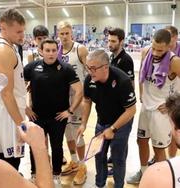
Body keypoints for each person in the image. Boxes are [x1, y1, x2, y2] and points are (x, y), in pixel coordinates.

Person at [24, 38, 83, 185]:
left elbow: (79, 90)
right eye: (47, 50)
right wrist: (25, 108)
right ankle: (34, 173)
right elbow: (18, 88)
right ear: (41, 51)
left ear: (58, 51)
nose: (51, 54)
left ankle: (56, 175)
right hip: (37, 116)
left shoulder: (66, 69)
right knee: (36, 146)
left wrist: (70, 111)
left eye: (54, 50)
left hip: (58, 118)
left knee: (57, 147)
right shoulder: (31, 68)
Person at [127, 29, 180, 184]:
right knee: (141, 141)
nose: (156, 52)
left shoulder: (174, 61)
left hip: (162, 111)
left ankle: (162, 180)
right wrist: (142, 93)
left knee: (158, 148)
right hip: (147, 107)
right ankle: (143, 173)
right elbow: (141, 76)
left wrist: (173, 103)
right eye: (154, 48)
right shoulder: (146, 52)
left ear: (169, 46)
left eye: (160, 50)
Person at [80, 49, 136, 188]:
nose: (90, 71)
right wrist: (83, 124)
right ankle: (100, 184)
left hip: (121, 123)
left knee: (118, 158)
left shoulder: (122, 81)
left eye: (93, 68)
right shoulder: (90, 80)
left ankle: (118, 185)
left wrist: (113, 128)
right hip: (102, 121)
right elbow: (87, 101)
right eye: (88, 67)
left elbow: (131, 110)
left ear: (105, 67)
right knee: (98, 155)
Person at [0, 8, 27, 170]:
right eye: (18, 31)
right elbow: (6, 93)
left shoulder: (10, 46)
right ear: (3, 27)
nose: (22, 35)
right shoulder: (3, 50)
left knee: (11, 159)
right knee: (9, 161)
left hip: (11, 108)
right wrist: (21, 125)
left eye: (23, 31)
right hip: (8, 112)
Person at [57, 21, 88, 185]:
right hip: (63, 99)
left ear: (71, 33)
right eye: (61, 33)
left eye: (66, 33)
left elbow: (90, 72)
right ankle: (74, 161)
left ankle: (83, 166)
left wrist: (87, 97)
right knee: (68, 133)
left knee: (78, 134)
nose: (64, 36)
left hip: (78, 98)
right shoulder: (56, 51)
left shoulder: (80, 49)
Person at [107, 27, 135, 174]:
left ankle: (119, 166)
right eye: (109, 40)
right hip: (114, 106)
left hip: (123, 107)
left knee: (121, 140)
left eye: (113, 41)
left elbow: (130, 84)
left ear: (121, 41)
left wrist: (127, 107)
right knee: (115, 138)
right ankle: (113, 158)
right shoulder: (112, 57)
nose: (110, 44)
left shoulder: (126, 60)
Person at [139, 92, 180, 188]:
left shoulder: (156, 175)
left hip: (163, 173)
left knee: (159, 150)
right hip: (148, 105)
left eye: (171, 124)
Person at [165, 25, 180, 159]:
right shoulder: (164, 51)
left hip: (178, 99)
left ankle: (173, 160)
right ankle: (170, 160)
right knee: (168, 131)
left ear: (175, 37)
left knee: (176, 129)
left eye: (168, 37)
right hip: (168, 97)